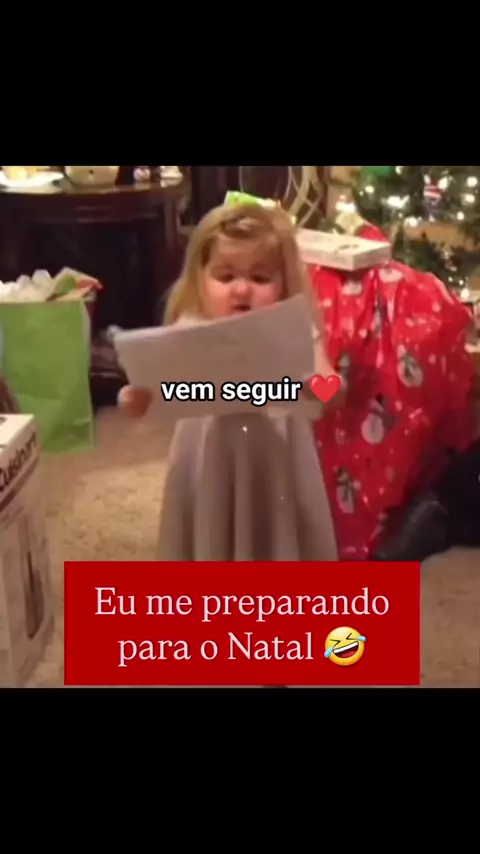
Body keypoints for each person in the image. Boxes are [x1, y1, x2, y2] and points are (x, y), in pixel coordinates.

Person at [118, 202, 342, 560]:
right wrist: (134, 400)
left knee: (277, 536)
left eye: (260, 278)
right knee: (211, 534)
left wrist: (322, 387)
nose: (241, 291)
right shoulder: (189, 329)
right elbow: (151, 392)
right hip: (208, 459)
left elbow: (330, 384)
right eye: (225, 277)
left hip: (274, 461)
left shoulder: (294, 331)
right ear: (201, 277)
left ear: (284, 282)